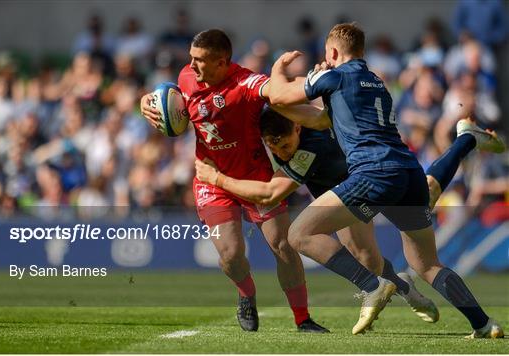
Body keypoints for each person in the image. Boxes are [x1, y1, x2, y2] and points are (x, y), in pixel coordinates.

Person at [266, 22, 505, 338]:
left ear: (333, 52)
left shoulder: (334, 75)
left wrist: (277, 68)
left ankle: (372, 285)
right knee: (427, 264)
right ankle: (484, 324)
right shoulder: (376, 81)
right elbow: (322, 119)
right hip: (407, 171)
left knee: (299, 234)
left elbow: (279, 96)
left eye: (327, 55)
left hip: (374, 172)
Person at [195, 106, 505, 333]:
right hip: (359, 185)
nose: (280, 151)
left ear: (298, 129)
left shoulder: (308, 146)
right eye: (272, 145)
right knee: (371, 255)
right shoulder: (294, 123)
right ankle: (403, 287)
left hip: (363, 183)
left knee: (427, 197)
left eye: (284, 143)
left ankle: (382, 287)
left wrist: (216, 178)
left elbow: (269, 194)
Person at [140, 29, 327, 333]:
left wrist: (314, 81)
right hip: (210, 179)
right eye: (191, 58)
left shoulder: (246, 84)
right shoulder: (187, 77)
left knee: (282, 245)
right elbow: (161, 98)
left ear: (222, 62)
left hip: (254, 177)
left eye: (199, 60)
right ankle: (246, 296)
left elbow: (277, 91)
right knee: (230, 254)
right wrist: (144, 104)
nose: (191, 64)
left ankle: (302, 318)